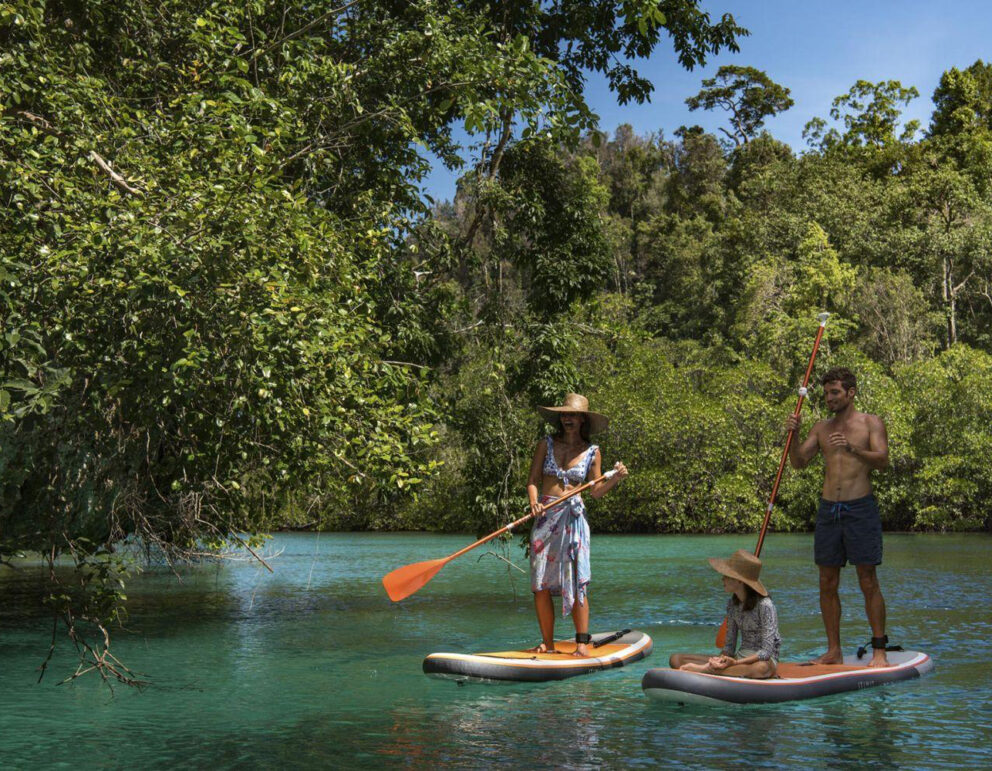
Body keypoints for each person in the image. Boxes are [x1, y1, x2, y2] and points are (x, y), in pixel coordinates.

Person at [786, 366, 891, 667]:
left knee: (867, 579)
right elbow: (798, 462)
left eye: (835, 392)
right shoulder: (821, 428)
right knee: (826, 581)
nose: (829, 398)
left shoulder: (871, 423)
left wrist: (853, 448)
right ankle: (834, 650)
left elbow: (883, 460)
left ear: (851, 392)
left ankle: (879, 651)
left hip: (860, 508)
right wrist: (793, 435)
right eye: (826, 393)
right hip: (828, 510)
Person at [526, 393, 627, 657]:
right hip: (545, 518)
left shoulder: (593, 451)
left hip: (573, 519)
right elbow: (533, 480)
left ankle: (582, 643)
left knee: (578, 580)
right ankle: (547, 643)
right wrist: (534, 502)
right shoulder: (545, 444)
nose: (568, 419)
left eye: (573, 415)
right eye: (564, 414)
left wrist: (615, 478)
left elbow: (595, 491)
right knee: (540, 583)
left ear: (583, 419)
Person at [669, 549, 781, 678]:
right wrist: (721, 660)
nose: (723, 579)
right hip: (738, 661)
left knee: (761, 669)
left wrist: (735, 662)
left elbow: (766, 652)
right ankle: (717, 670)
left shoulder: (765, 605)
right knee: (676, 659)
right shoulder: (733, 605)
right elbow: (729, 647)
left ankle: (704, 670)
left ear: (740, 581)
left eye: (727, 576)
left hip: (763, 662)